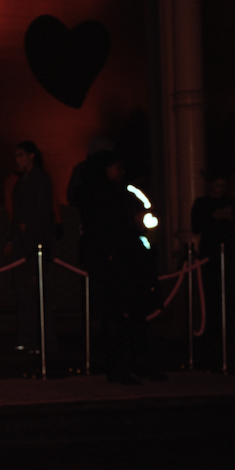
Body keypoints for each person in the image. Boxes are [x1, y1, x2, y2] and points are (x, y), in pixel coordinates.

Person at [75, 150, 160, 384]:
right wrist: (129, 224)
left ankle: (136, 362)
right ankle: (119, 365)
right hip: (110, 260)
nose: (120, 172)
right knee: (114, 314)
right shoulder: (97, 193)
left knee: (133, 313)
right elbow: (104, 227)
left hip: (123, 258)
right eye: (116, 167)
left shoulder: (117, 192)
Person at [4, 140, 58, 355]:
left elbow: (44, 212)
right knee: (25, 294)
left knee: (37, 294)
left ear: (31, 155)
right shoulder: (22, 180)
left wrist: (31, 229)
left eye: (21, 155)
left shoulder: (39, 178)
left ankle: (42, 340)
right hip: (24, 243)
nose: (18, 160)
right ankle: (28, 338)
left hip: (35, 244)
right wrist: (13, 238)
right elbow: (19, 214)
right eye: (16, 156)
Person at [191, 173, 235, 370]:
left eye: (223, 185)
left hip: (231, 257)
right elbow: (196, 225)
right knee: (212, 302)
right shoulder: (202, 203)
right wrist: (213, 217)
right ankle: (211, 351)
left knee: (230, 302)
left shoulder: (233, 203)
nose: (220, 189)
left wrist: (229, 217)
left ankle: (230, 349)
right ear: (210, 184)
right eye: (217, 185)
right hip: (211, 258)